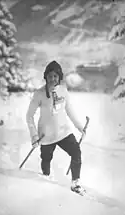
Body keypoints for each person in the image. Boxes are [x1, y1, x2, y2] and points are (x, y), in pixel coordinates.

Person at [26, 60, 86, 193]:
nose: (52, 79)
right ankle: (46, 181)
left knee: (76, 152)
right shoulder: (39, 94)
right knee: (46, 159)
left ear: (59, 77)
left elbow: (70, 111)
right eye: (50, 76)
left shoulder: (63, 91)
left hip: (63, 132)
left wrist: (80, 127)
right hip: (46, 135)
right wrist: (34, 135)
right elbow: (29, 116)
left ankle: (75, 183)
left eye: (55, 76)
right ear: (45, 77)